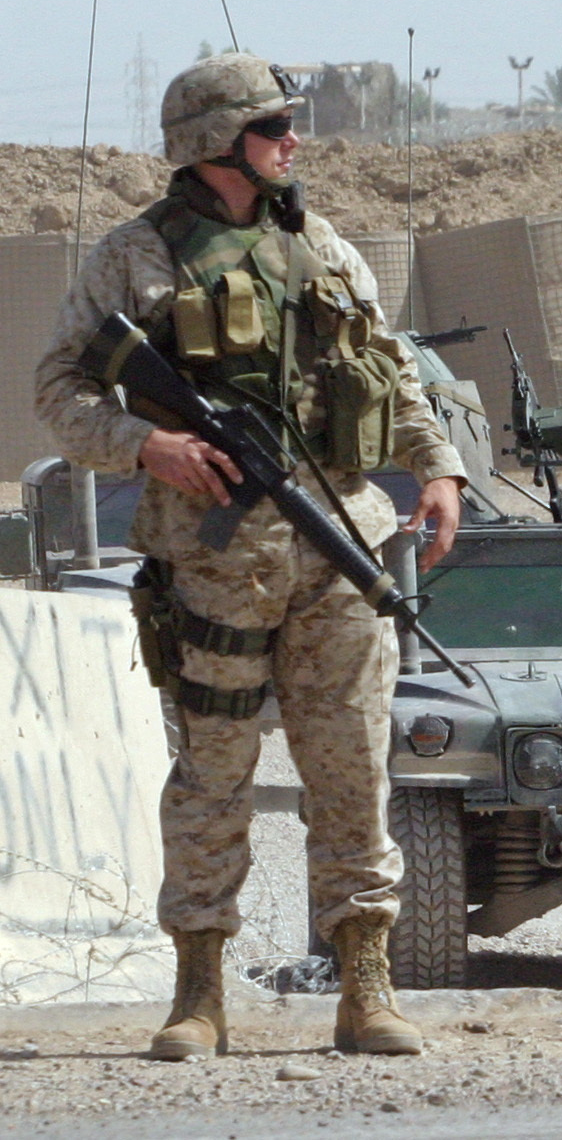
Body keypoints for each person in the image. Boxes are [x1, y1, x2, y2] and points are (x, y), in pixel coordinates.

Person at [34, 53, 467, 1060]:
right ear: (214, 142)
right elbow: (60, 387)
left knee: (354, 768)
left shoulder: (325, 246)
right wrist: (149, 446)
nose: (293, 141)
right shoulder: (134, 258)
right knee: (211, 776)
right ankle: (199, 994)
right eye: (275, 126)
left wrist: (435, 468)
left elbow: (391, 369)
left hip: (341, 546)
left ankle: (366, 986)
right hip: (212, 559)